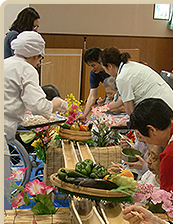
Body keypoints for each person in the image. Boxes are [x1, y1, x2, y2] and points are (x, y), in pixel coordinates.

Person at [4, 31, 68, 210]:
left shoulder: (6, 63)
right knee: (4, 195)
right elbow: (40, 105)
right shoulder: (26, 69)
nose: (39, 62)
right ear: (35, 55)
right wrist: (59, 104)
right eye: (40, 57)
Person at [99, 46, 173, 117]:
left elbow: (130, 110)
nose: (107, 73)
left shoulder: (122, 77)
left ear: (109, 66)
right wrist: (104, 108)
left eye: (105, 69)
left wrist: (129, 124)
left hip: (164, 111)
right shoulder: (130, 66)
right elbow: (122, 100)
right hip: (169, 106)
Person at [78, 47, 110, 122]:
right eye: (89, 66)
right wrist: (84, 115)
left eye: (93, 65)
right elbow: (92, 95)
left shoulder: (112, 70)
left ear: (100, 61)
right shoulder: (94, 74)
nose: (92, 68)